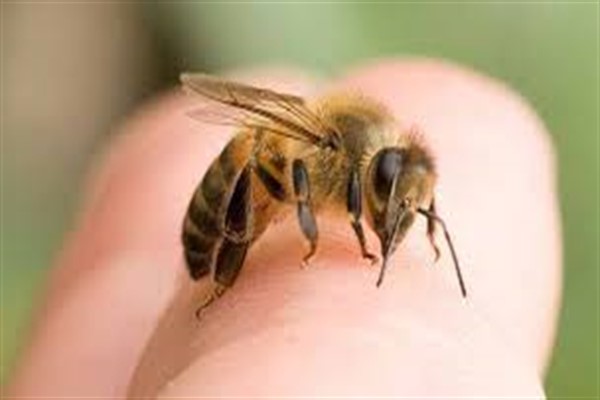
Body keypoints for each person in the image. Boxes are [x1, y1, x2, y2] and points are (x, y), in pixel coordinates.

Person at [7, 60, 561, 398]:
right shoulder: (335, 150)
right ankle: (223, 274)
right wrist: (314, 236)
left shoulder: (383, 164)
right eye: (394, 202)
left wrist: (424, 230)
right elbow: (297, 173)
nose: (393, 216)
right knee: (259, 167)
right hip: (244, 175)